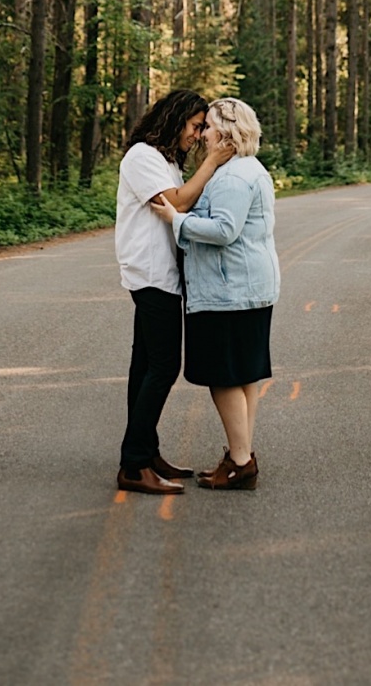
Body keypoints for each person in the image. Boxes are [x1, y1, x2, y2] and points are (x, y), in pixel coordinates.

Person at [151, 97, 278, 491]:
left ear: (225, 131)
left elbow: (225, 230)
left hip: (229, 291)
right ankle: (241, 454)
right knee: (244, 375)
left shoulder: (234, 177)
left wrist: (177, 219)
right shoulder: (244, 170)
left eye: (207, 126)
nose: (201, 133)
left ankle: (241, 462)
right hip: (246, 288)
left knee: (224, 376)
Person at [113, 88, 233, 495]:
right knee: (163, 367)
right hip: (150, 273)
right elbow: (176, 203)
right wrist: (213, 162)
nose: (199, 135)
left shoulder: (166, 160)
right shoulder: (142, 157)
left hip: (163, 274)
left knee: (144, 366)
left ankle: (146, 453)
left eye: (204, 129)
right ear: (176, 118)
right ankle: (133, 464)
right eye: (196, 126)